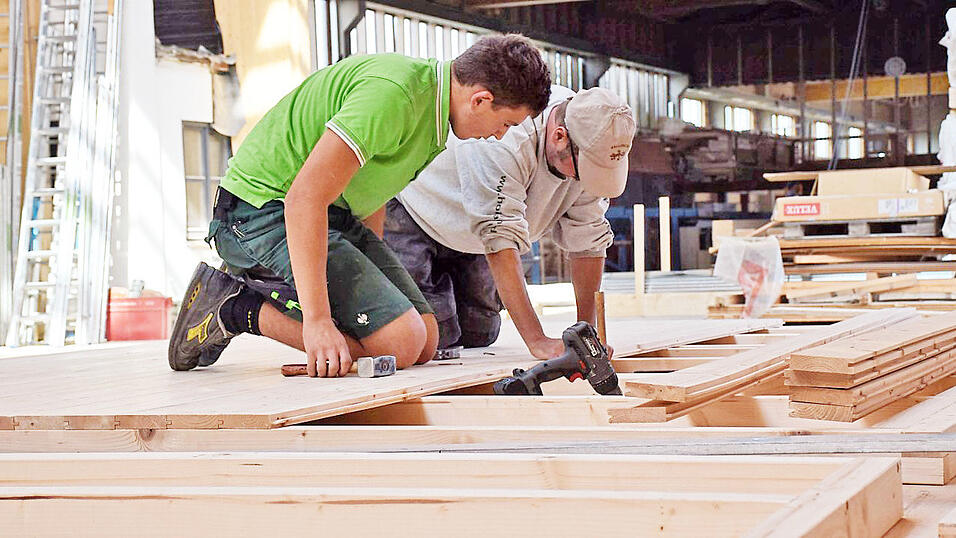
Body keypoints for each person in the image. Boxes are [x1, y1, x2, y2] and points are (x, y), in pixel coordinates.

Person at [167, 34, 552, 377]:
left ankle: (357, 329)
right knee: (400, 342)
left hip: (331, 213)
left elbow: (372, 194)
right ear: (480, 99)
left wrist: (367, 295)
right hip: (259, 212)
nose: (500, 136)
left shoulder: (434, 114)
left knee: (426, 338)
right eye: (505, 123)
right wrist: (318, 322)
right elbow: (303, 198)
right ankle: (234, 307)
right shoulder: (394, 95)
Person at [384, 85, 634, 359]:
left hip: (473, 231)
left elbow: (588, 242)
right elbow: (500, 239)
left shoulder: (591, 137)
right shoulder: (507, 137)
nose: (586, 182)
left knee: (480, 332)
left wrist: (586, 334)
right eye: (584, 171)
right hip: (417, 209)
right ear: (559, 137)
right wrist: (538, 341)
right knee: (432, 338)